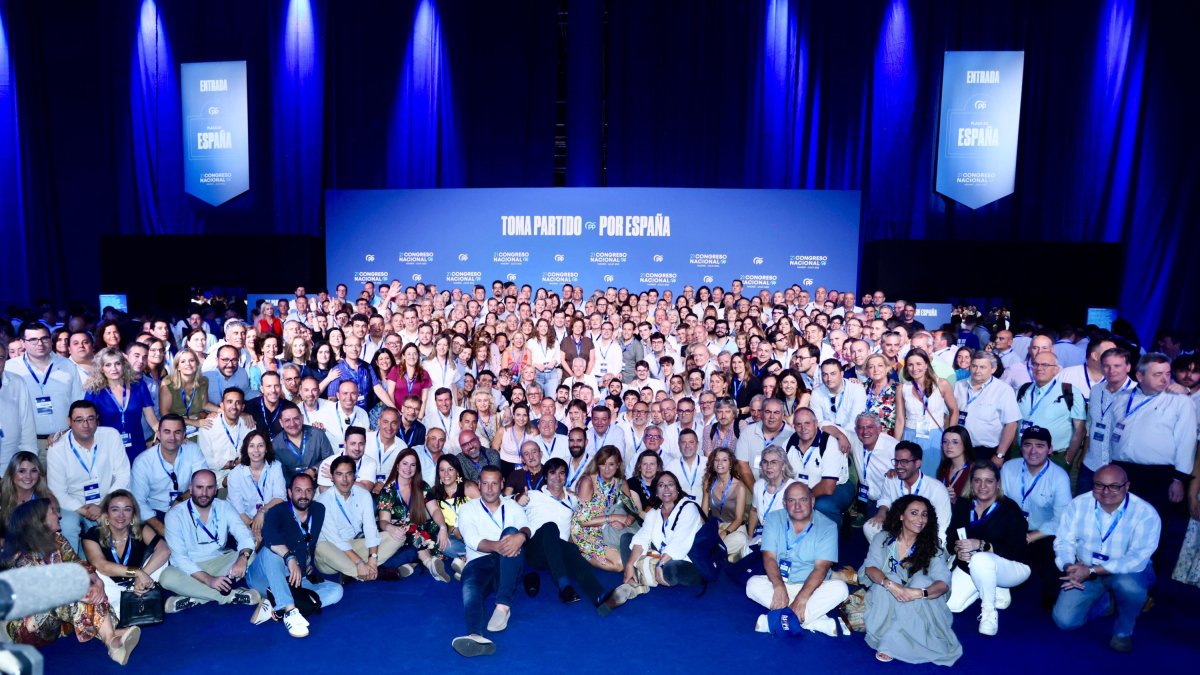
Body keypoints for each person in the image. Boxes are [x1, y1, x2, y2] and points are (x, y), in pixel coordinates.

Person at [1, 499, 142, 664]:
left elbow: (78, 563)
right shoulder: (20, 556)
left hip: (59, 626)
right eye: (53, 512)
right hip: (29, 627)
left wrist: (96, 581)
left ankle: (111, 638)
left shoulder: (57, 540)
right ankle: (112, 638)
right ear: (39, 521)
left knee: (92, 589)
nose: (59, 515)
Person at [1101, 353, 1196, 575]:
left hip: (1159, 476)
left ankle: (1146, 586)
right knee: (1118, 526)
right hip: (1123, 471)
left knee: (1152, 530)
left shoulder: (1180, 402)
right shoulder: (1122, 398)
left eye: (1167, 374)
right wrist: (1107, 468)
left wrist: (1179, 479)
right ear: (1140, 376)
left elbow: (1186, 443)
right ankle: (1111, 577)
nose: (1165, 379)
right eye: (1158, 374)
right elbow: (1110, 436)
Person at [1052, 464, 1161, 653]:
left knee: (1129, 587)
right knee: (1065, 621)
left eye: (1114, 486)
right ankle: (1106, 601)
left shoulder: (1145, 513)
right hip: (1085, 568)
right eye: (1099, 485)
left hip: (1127, 572)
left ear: (1127, 487)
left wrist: (1092, 571)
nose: (1106, 491)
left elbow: (1136, 558)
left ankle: (1122, 632)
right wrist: (1069, 565)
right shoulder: (1078, 504)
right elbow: (1063, 541)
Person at [859, 494, 961, 665]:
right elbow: (870, 568)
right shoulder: (883, 538)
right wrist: (890, 584)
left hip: (921, 605)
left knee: (921, 580)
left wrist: (918, 593)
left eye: (924, 514)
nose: (920, 519)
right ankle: (897, 635)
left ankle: (892, 639)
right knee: (888, 577)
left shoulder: (932, 548)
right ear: (901, 515)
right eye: (914, 513)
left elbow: (942, 583)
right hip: (887, 599)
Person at [247, 472, 344, 638]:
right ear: (290, 493)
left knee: (336, 591)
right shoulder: (277, 511)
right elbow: (269, 537)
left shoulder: (319, 510)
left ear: (313, 493)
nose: (303, 495)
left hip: (294, 577)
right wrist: (290, 558)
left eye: (308, 491)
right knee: (272, 551)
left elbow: (308, 542)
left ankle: (275, 601)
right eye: (298, 490)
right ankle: (290, 611)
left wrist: (306, 563)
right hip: (263, 575)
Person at [747, 482, 850, 636]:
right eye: (791, 501)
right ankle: (813, 621)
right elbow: (769, 558)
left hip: (813, 588)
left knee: (841, 589)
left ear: (812, 501)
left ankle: (773, 622)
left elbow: (821, 568)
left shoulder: (828, 526)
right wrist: (778, 586)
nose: (797, 506)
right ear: (784, 503)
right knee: (752, 585)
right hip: (781, 583)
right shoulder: (773, 519)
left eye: (803, 500)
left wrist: (802, 598)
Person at [516, 457, 617, 612]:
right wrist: (517, 498)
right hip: (536, 551)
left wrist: (616, 516)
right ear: (545, 476)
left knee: (572, 549)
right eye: (553, 473)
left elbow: (590, 510)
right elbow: (505, 500)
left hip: (559, 553)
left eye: (562, 473)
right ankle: (564, 586)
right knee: (550, 527)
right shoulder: (533, 495)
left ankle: (599, 596)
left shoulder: (573, 499)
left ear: (566, 477)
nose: (558, 477)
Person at [452, 466, 532, 657]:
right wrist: (500, 546)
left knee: (512, 532)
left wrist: (521, 536)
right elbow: (471, 539)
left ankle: (503, 606)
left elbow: (527, 527)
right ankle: (475, 635)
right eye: (485, 483)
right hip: (478, 562)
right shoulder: (467, 508)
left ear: (502, 484)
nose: (489, 489)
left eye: (494, 483)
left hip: (509, 564)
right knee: (470, 590)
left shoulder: (513, 506)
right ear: (479, 485)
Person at [945, 461, 1030, 635]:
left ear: (997, 484)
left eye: (989, 481)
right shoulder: (963, 504)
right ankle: (989, 586)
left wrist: (983, 545)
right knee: (952, 605)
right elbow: (951, 537)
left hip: (1012, 566)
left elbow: (1018, 550)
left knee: (980, 558)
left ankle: (989, 613)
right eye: (977, 480)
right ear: (972, 483)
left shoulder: (1009, 509)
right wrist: (958, 550)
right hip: (970, 565)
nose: (982, 486)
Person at [160, 469, 261, 613]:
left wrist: (242, 558)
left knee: (250, 556)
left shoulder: (224, 507)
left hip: (219, 561)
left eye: (209, 487)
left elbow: (244, 535)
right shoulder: (174, 515)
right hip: (188, 568)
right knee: (166, 578)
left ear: (216, 490)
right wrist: (209, 580)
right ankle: (230, 596)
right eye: (199, 487)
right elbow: (180, 558)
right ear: (190, 489)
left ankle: (194, 597)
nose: (204, 493)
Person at [1000, 425, 1072, 609]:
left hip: (1044, 533)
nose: (1033, 451)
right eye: (1028, 444)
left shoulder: (1059, 477)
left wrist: (1031, 536)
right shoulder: (1008, 468)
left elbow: (1061, 521)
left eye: (1040, 446)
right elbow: (1000, 507)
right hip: (1012, 530)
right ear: (1021, 447)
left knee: (1050, 590)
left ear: (1050, 449)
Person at [47, 400, 133, 554]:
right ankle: (72, 565)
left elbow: (123, 475)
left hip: (107, 499)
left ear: (97, 419)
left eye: (90, 419)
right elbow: (57, 491)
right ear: (69, 422)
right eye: (79, 420)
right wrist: (85, 511)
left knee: (116, 521)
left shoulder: (111, 436)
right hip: (73, 505)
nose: (85, 425)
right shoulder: (57, 449)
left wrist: (102, 506)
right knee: (67, 524)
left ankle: (107, 563)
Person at [613, 471, 705, 600]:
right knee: (627, 539)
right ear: (656, 491)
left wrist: (660, 564)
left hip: (688, 560)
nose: (666, 488)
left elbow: (679, 543)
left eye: (670, 484)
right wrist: (629, 564)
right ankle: (638, 579)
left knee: (670, 569)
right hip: (661, 555)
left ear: (677, 489)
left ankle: (641, 576)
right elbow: (643, 536)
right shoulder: (655, 512)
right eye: (661, 485)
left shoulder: (688, 508)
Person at [80, 489, 171, 620]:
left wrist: (142, 575)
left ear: (133, 514)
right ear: (106, 514)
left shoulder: (141, 528)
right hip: (111, 586)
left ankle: (123, 610)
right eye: (115, 509)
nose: (121, 515)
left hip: (142, 582)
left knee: (160, 557)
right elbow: (102, 565)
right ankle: (127, 608)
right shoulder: (92, 534)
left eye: (127, 509)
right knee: (93, 574)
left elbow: (165, 550)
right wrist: (137, 573)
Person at [314, 456, 403, 581]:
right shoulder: (322, 501)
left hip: (355, 544)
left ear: (354, 476)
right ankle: (371, 573)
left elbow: (370, 528)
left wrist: (372, 558)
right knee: (321, 548)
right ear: (332, 478)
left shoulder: (364, 494)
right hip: (333, 550)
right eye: (339, 474)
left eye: (348, 474)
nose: (344, 479)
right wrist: (359, 563)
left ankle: (356, 572)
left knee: (398, 537)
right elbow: (335, 540)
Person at [8, 322, 83, 462]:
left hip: (64, 440)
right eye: (33, 340)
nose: (40, 343)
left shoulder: (67, 365)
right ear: (23, 343)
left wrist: (71, 433)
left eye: (44, 338)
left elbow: (78, 404)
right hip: (27, 444)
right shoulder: (11, 369)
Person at [375, 448, 454, 581]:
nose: (408, 468)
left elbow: (435, 510)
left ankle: (411, 561)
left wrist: (442, 528)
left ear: (417, 468)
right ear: (397, 465)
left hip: (416, 533)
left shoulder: (422, 486)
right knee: (412, 530)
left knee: (436, 527)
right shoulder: (388, 490)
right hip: (396, 534)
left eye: (413, 465)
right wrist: (391, 528)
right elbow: (383, 521)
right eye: (405, 463)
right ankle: (429, 562)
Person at [130, 414, 208, 534]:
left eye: (177, 432)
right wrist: (161, 528)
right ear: (159, 435)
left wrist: (180, 499)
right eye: (167, 432)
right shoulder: (143, 461)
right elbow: (138, 502)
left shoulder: (193, 450)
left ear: (184, 435)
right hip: (155, 513)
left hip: (187, 507)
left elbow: (203, 483)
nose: (172, 437)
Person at [864, 441, 951, 547]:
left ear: (917, 463)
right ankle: (887, 558)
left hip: (923, 532)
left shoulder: (936, 489)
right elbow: (885, 499)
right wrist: (882, 512)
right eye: (896, 461)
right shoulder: (891, 479)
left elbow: (941, 527)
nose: (899, 466)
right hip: (898, 527)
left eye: (904, 461)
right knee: (870, 527)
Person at [84, 347, 159, 462]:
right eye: (108, 365)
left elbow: (152, 420)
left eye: (117, 363)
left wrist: (166, 435)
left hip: (137, 446)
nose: (113, 368)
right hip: (108, 449)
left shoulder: (139, 386)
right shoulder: (94, 391)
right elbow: (87, 423)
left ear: (124, 365)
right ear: (101, 368)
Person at [571, 445, 636, 573]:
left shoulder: (621, 482)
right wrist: (614, 517)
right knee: (619, 565)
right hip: (585, 530)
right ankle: (581, 554)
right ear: (597, 464)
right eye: (602, 464)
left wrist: (625, 522)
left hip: (607, 529)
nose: (606, 469)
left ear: (618, 465)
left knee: (631, 558)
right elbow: (583, 522)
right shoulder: (588, 481)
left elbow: (632, 510)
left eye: (611, 464)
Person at [1016, 351, 1086, 469]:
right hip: (1021, 455)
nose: (1039, 368)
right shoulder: (1023, 390)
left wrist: (1068, 459)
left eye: (1045, 365)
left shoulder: (1070, 391)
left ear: (1056, 369)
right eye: (1035, 364)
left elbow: (1080, 430)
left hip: (1055, 458)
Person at [893, 349, 957, 476]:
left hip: (935, 437)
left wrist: (950, 437)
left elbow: (954, 410)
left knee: (932, 476)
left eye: (918, 364)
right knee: (910, 477)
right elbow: (900, 420)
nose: (914, 368)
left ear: (926, 365)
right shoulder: (902, 388)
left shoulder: (942, 384)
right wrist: (895, 446)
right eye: (910, 365)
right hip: (910, 436)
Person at [1081, 347, 1136, 494]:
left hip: (1119, 468)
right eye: (1107, 365)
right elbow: (1090, 425)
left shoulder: (1138, 394)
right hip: (1091, 463)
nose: (1111, 370)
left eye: (1117, 365)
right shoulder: (1096, 390)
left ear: (1128, 367)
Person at [784, 408, 852, 524]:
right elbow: (783, 476)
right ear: (794, 427)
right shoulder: (788, 444)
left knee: (822, 505)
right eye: (799, 424)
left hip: (837, 487)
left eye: (807, 423)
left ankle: (832, 534)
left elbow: (828, 487)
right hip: (802, 490)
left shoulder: (830, 443)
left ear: (816, 424)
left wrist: (803, 499)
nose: (803, 428)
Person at [953, 350, 1020, 463]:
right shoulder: (959, 386)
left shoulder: (1003, 390)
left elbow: (1011, 424)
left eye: (982, 367)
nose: (977, 371)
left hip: (987, 452)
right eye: (974, 366)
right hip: (960, 449)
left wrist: (1000, 455)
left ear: (993, 369)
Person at [226, 429, 287, 541]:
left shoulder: (275, 467)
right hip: (244, 522)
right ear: (246, 449)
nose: (256, 450)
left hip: (271, 517)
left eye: (260, 445)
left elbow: (280, 498)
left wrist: (262, 511)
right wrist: (253, 527)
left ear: (267, 448)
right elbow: (237, 509)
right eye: (251, 446)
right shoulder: (235, 474)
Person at [429, 454, 480, 570]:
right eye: (442, 470)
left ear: (457, 472)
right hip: (454, 534)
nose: (446, 474)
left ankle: (469, 558)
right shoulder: (434, 492)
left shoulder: (469, 487)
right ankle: (470, 557)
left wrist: (466, 530)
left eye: (450, 469)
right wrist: (454, 529)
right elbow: (438, 520)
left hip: (475, 531)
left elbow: (485, 513)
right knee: (443, 544)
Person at [197, 387, 255, 487]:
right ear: (222, 405)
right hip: (217, 479)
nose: (234, 406)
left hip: (245, 474)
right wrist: (233, 464)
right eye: (229, 402)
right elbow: (206, 460)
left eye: (238, 402)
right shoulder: (208, 426)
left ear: (242, 407)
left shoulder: (249, 425)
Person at [735, 397, 794, 485]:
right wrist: (755, 490)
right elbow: (742, 463)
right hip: (750, 486)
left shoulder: (791, 436)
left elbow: (792, 470)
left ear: (783, 415)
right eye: (768, 412)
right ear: (762, 414)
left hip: (781, 491)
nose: (772, 417)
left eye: (776, 413)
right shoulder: (748, 432)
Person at [0, 338, 38, 468]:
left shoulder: (17, 382)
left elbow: (27, 426)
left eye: (0, 357)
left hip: (11, 463)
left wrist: (30, 459)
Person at [746, 445, 796, 543]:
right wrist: (750, 538)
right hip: (761, 535)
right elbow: (754, 511)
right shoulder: (759, 485)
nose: (769, 466)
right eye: (765, 462)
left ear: (783, 465)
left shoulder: (793, 488)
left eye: (774, 462)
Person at [272, 405, 335, 482]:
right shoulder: (275, 445)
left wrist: (315, 469)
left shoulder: (317, 434)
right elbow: (280, 475)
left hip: (319, 484)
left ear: (302, 418)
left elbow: (330, 459)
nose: (292, 424)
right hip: (292, 489)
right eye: (287, 420)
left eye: (296, 418)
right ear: (281, 423)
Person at [0, 451, 53, 540]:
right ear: (12, 473)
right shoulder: (1, 496)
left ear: (39, 474)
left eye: (33, 471)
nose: (28, 476)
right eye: (22, 471)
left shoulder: (46, 499)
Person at [158, 349, 211, 432]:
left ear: (197, 363)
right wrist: (195, 422)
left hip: (199, 426)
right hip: (175, 427)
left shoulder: (203, 381)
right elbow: (165, 414)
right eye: (183, 361)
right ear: (177, 366)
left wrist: (221, 410)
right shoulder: (167, 383)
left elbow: (205, 405)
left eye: (191, 360)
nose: (188, 364)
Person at [936, 425, 974, 502]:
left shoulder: (974, 470)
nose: (949, 446)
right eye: (945, 442)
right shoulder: (944, 468)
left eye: (955, 442)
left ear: (965, 444)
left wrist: (955, 501)